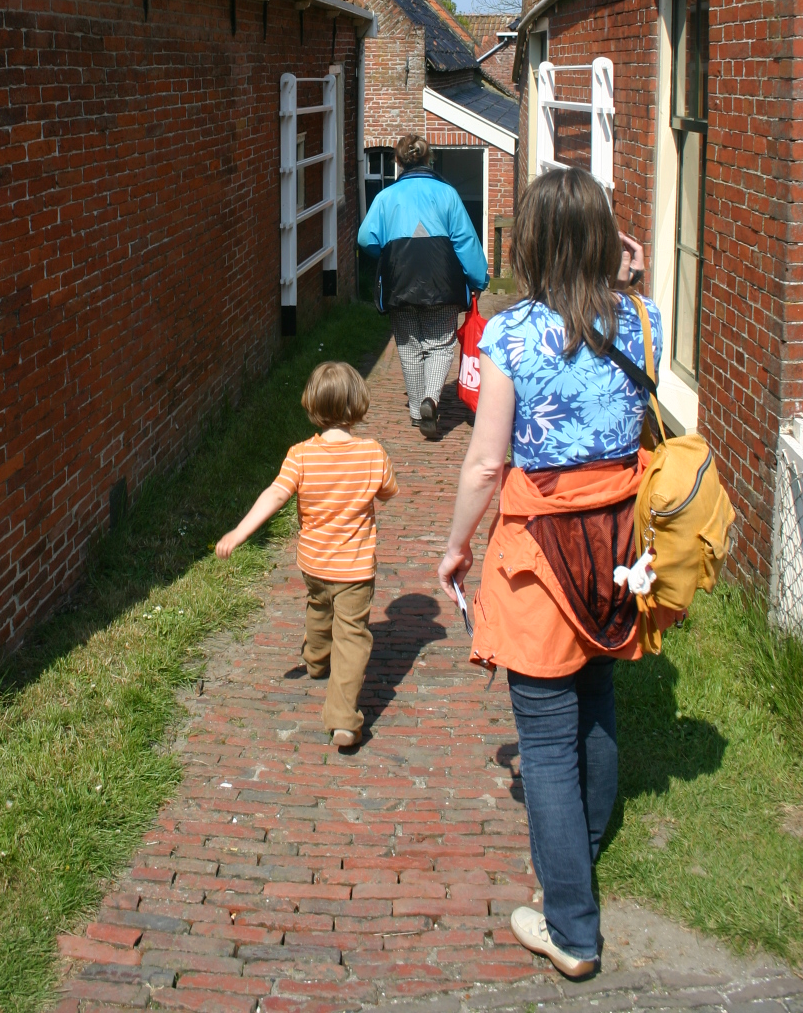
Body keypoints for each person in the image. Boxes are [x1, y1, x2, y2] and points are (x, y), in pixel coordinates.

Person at [437, 167, 662, 981]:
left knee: (544, 736)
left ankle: (571, 927)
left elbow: (485, 462)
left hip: (544, 544)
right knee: (596, 695)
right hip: (619, 538)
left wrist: (457, 546)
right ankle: (584, 849)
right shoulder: (643, 318)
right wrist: (629, 275)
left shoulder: (510, 335)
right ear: (606, 239)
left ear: (529, 243)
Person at [216, 361, 398, 749]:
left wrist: (240, 531)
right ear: (358, 403)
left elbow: (275, 494)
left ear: (312, 404)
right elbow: (387, 491)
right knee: (352, 636)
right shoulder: (372, 453)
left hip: (313, 562)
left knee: (319, 605)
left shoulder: (300, 455)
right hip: (355, 568)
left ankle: (316, 658)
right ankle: (343, 720)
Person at [358, 134, 488, 437]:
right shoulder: (448, 194)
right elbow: (465, 242)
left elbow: (365, 238)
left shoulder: (386, 197)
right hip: (442, 282)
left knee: (408, 345)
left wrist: (387, 254)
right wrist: (478, 279)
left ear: (398, 161)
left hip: (399, 281)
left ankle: (418, 412)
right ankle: (431, 398)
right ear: (429, 159)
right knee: (440, 345)